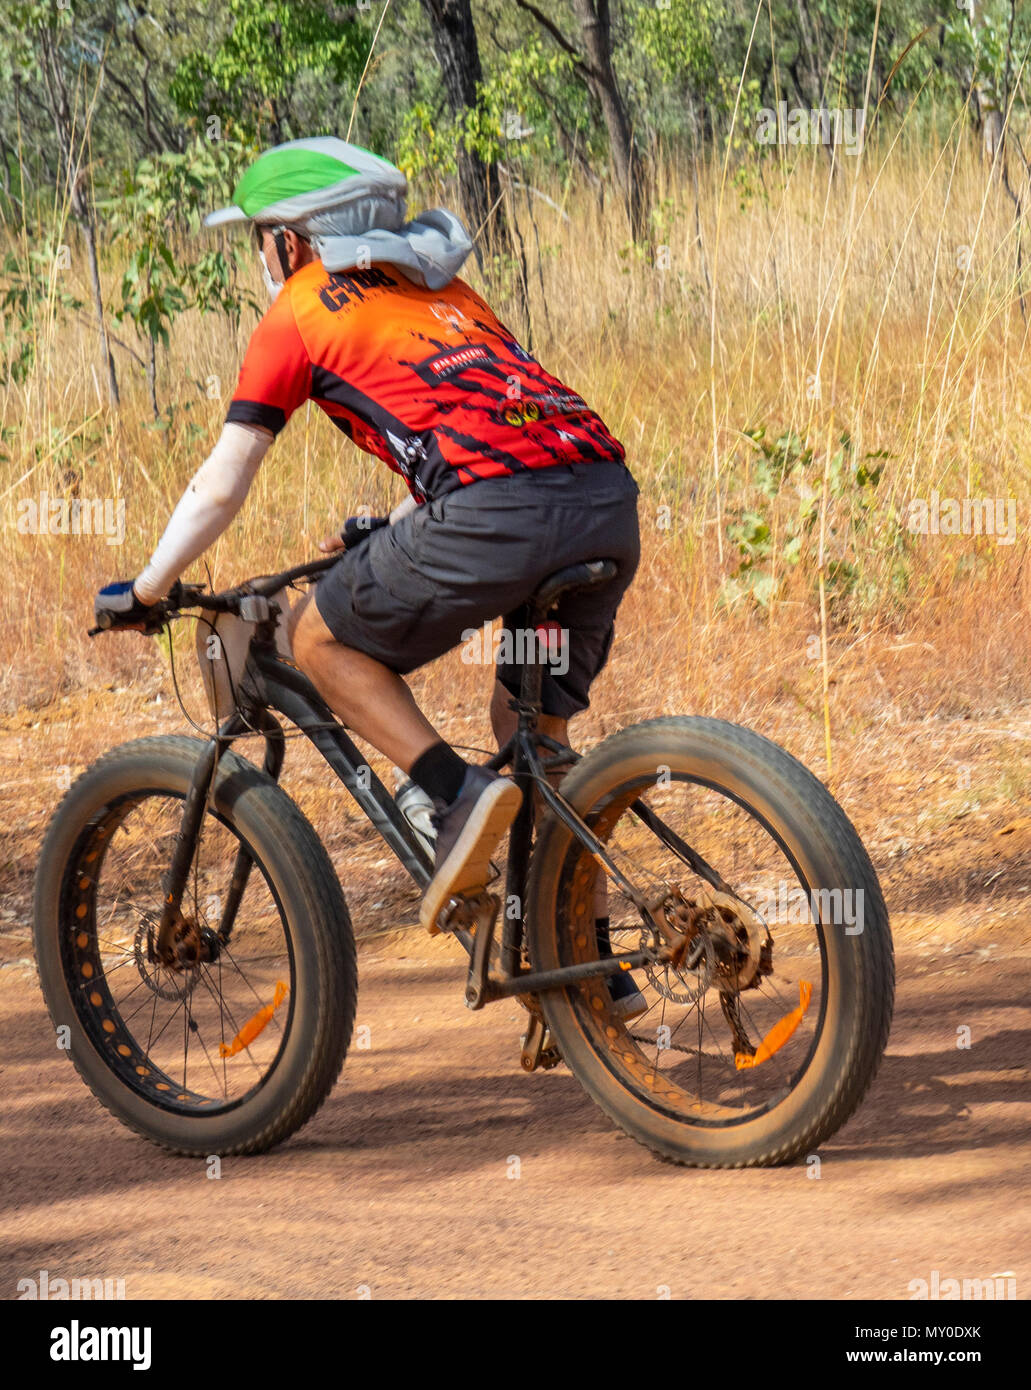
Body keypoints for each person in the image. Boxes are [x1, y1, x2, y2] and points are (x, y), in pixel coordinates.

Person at [94, 137, 643, 1014]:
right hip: (603, 508)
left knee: (317, 634)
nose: (261, 260)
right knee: (528, 725)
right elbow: (491, 427)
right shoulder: (445, 289)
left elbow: (224, 481)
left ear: (292, 242)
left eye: (260, 240)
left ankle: (453, 797)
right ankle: (593, 957)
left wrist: (150, 587)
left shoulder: (301, 309)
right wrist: (401, 521)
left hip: (495, 521)